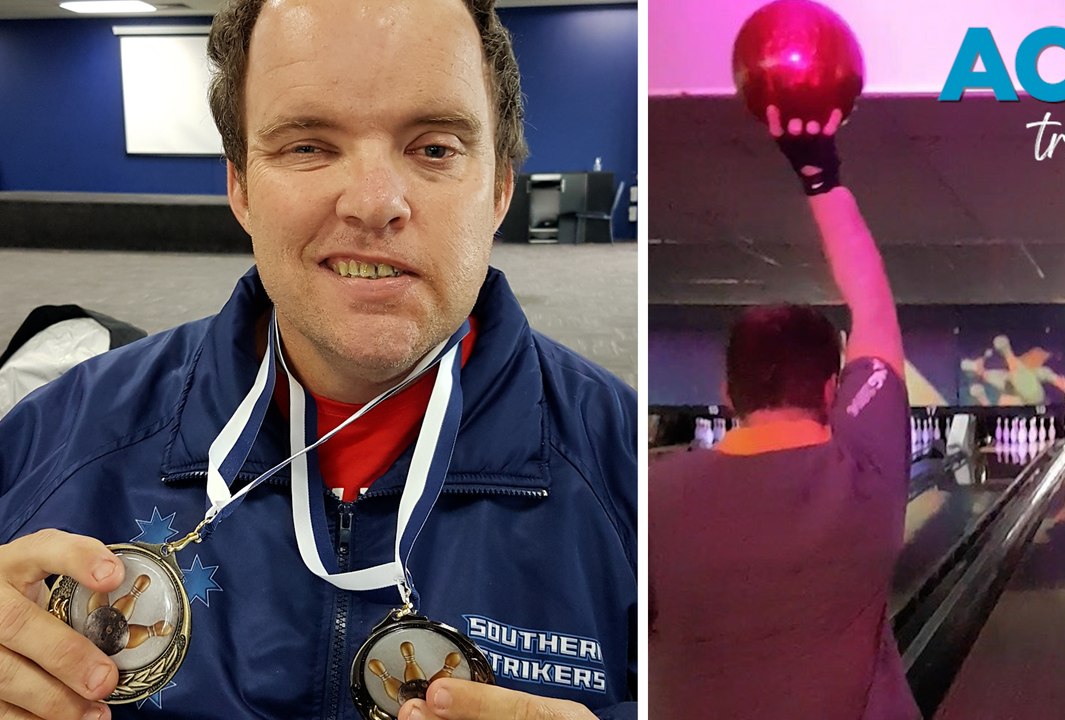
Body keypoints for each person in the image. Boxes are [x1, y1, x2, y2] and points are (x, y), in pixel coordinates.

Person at [0, 0, 636, 718]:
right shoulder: (57, 444)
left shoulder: (635, 482)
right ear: (240, 187)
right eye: (307, 146)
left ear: (498, 191)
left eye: (434, 148)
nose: (374, 203)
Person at [649, 104, 919, 720]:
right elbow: (874, 308)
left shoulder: (652, 494)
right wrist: (820, 175)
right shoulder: (867, 475)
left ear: (727, 391)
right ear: (831, 389)